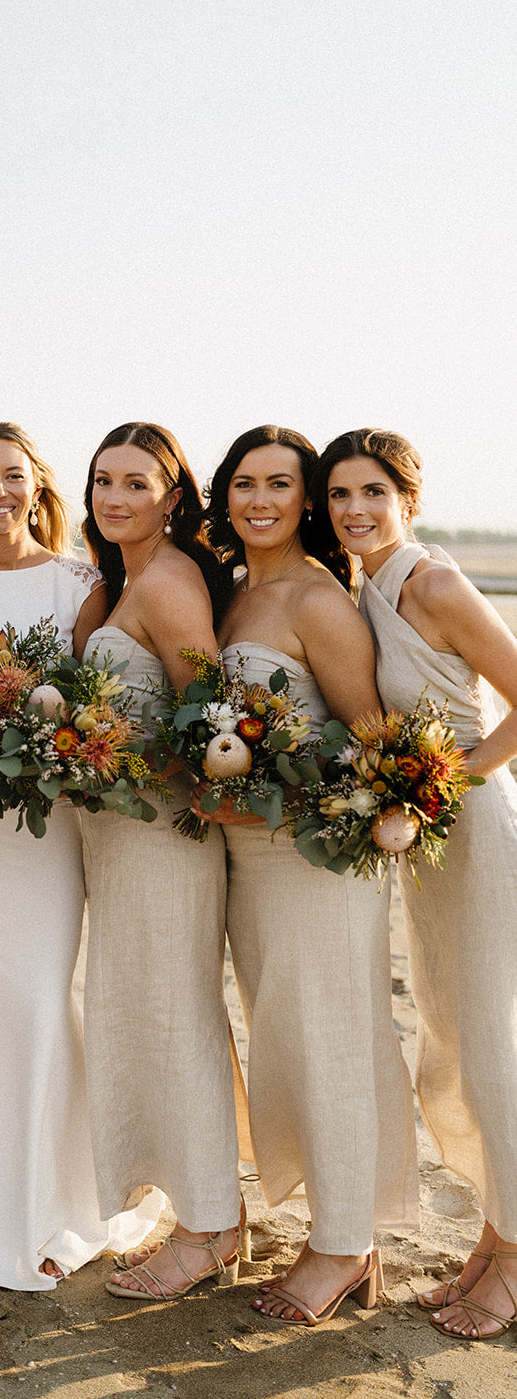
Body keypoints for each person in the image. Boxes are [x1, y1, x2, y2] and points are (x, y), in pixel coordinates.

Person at [0, 422, 159, 1289]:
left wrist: (35, 721)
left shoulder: (78, 584)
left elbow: (92, 706)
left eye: (12, 475)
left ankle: (53, 1202)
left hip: (47, 825)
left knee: (42, 994)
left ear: (37, 485)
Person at [203, 424, 418, 1326]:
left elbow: (368, 740)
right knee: (285, 1037)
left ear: (305, 499)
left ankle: (344, 1245)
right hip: (250, 860)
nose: (259, 500)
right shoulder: (238, 594)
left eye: (280, 485)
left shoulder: (316, 599)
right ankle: (333, 1228)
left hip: (316, 863)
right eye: (243, 482)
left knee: (332, 1039)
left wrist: (279, 799)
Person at [318, 427, 517, 1341]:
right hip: (430, 838)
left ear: (408, 498)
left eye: (372, 493)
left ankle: (514, 1263)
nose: (353, 511)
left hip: (475, 830)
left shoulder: (432, 582)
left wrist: (446, 785)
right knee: (456, 1030)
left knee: (493, 1039)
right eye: (339, 497)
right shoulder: (366, 585)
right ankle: (495, 1238)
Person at [77, 424, 250, 1303]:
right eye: (103, 480)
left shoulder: (172, 580)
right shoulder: (125, 579)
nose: (115, 497)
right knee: (147, 1017)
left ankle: (211, 1227)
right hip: (117, 841)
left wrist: (129, 758)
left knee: (174, 1021)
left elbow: (211, 720)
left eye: (136, 484)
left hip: (160, 838)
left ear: (173, 495)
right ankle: (206, 1211)